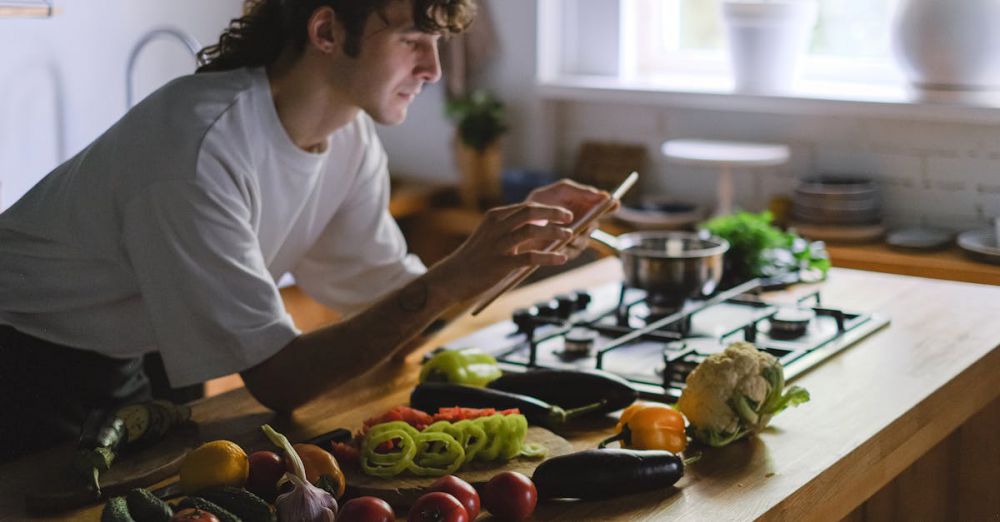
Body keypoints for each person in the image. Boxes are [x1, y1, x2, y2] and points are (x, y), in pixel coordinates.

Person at [0, 0, 611, 461]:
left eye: (436, 42)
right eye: (412, 39)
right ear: (326, 32)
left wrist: (510, 248)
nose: (432, 68)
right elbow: (278, 379)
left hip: (141, 348)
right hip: (26, 359)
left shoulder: (349, 135)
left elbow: (386, 298)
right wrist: (455, 275)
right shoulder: (197, 148)